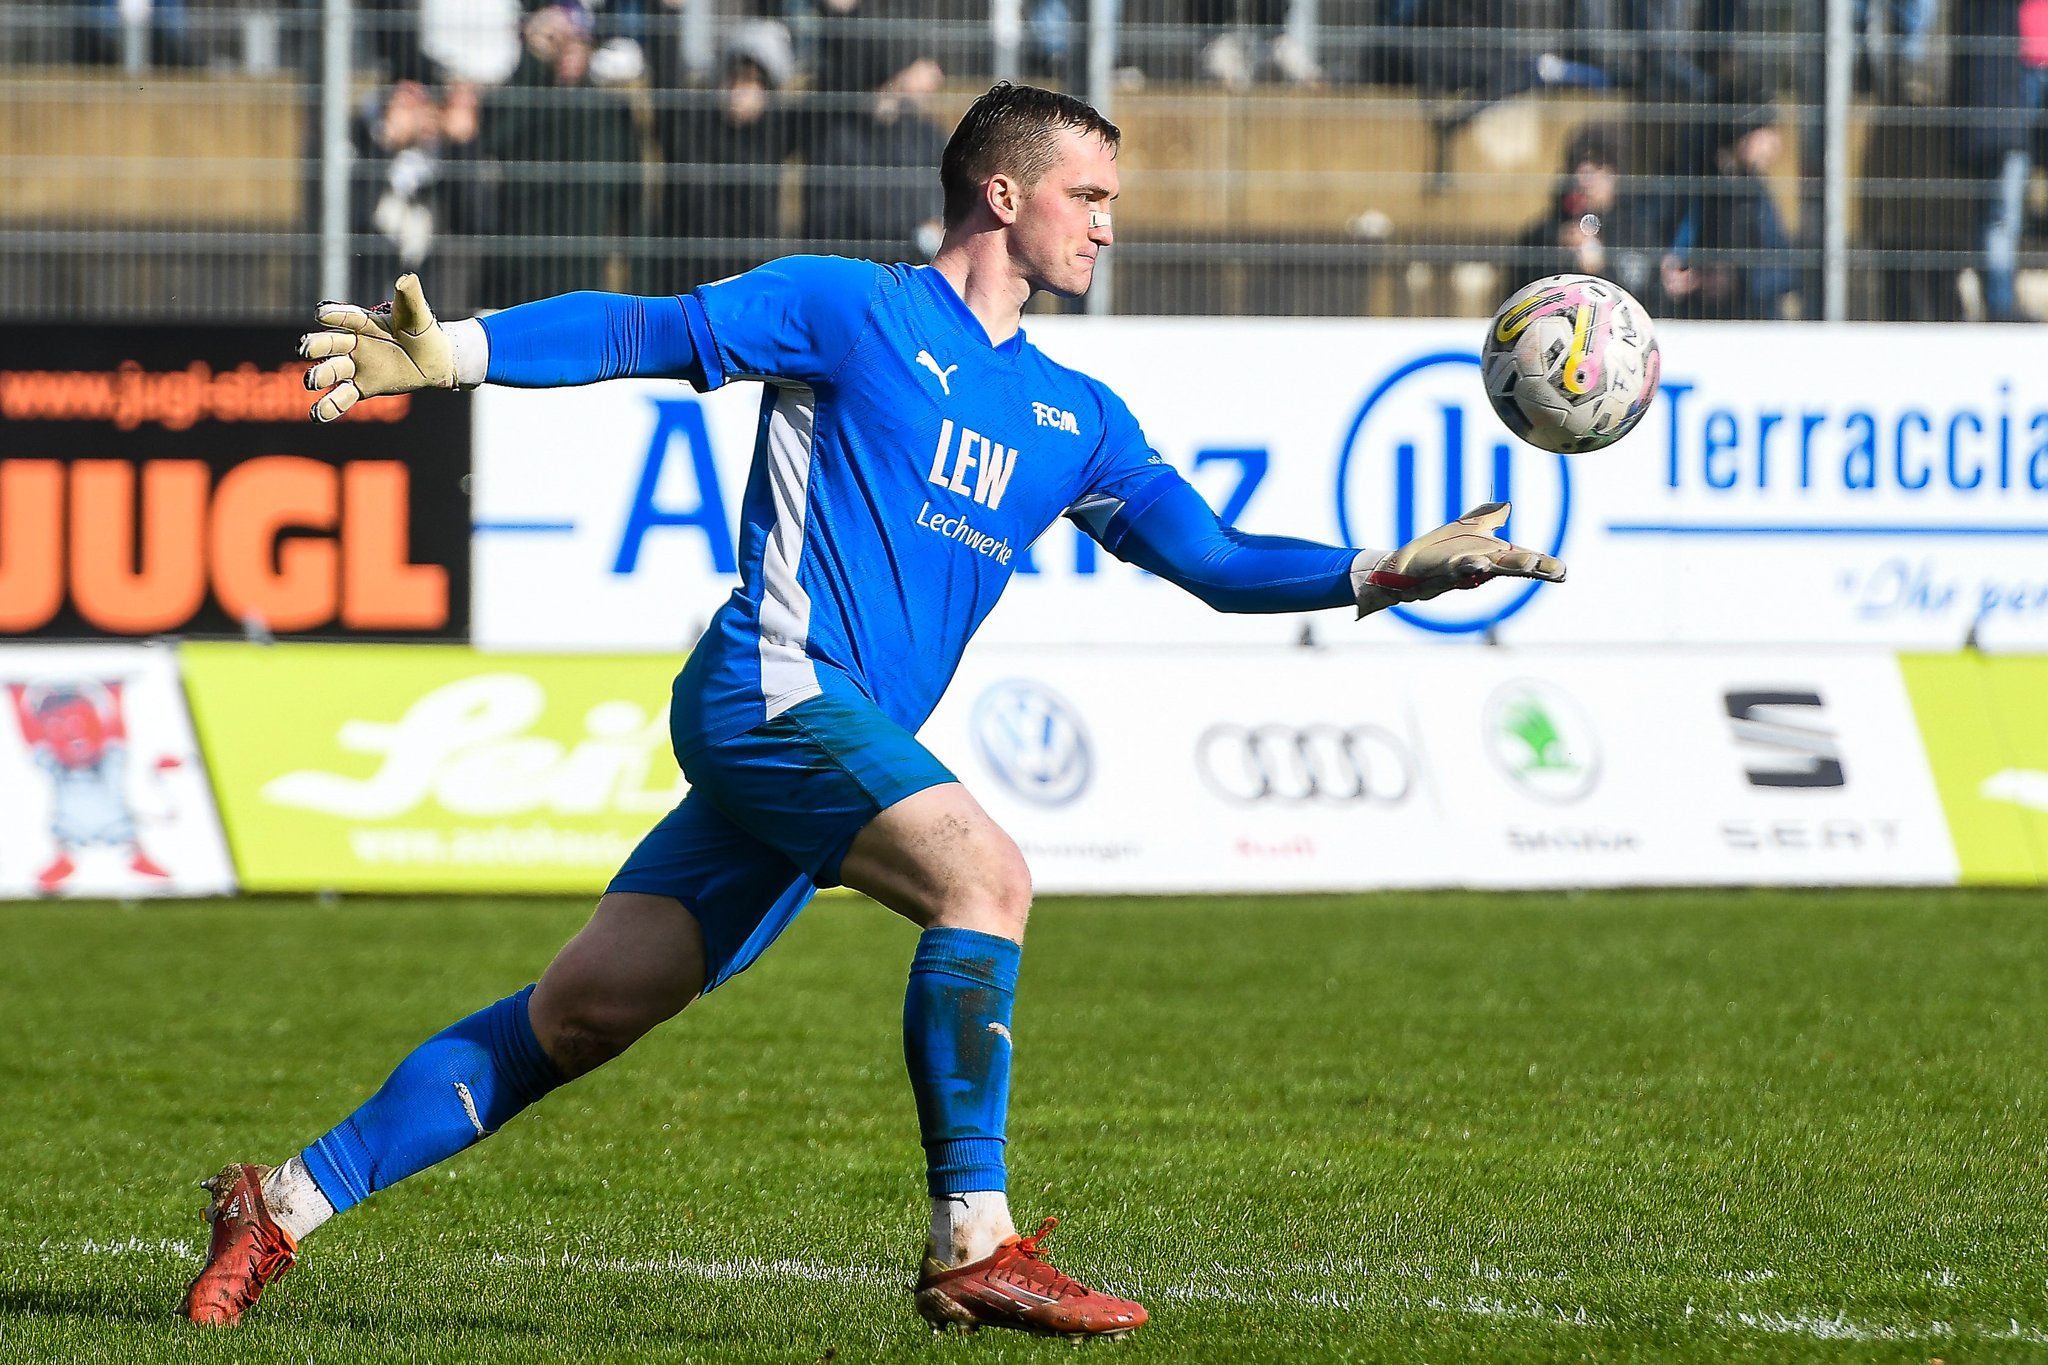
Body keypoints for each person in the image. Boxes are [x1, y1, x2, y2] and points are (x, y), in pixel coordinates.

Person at [178, 81, 1565, 1340]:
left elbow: (1209, 559)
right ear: (1004, 195)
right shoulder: (851, 308)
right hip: (773, 687)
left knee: (585, 1010)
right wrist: (461, 353)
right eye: (1091, 198)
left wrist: (1384, 568)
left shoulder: (1075, 413)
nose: (1107, 228)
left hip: (820, 747)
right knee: (987, 876)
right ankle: (976, 1237)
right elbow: (643, 332)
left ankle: (282, 1201)